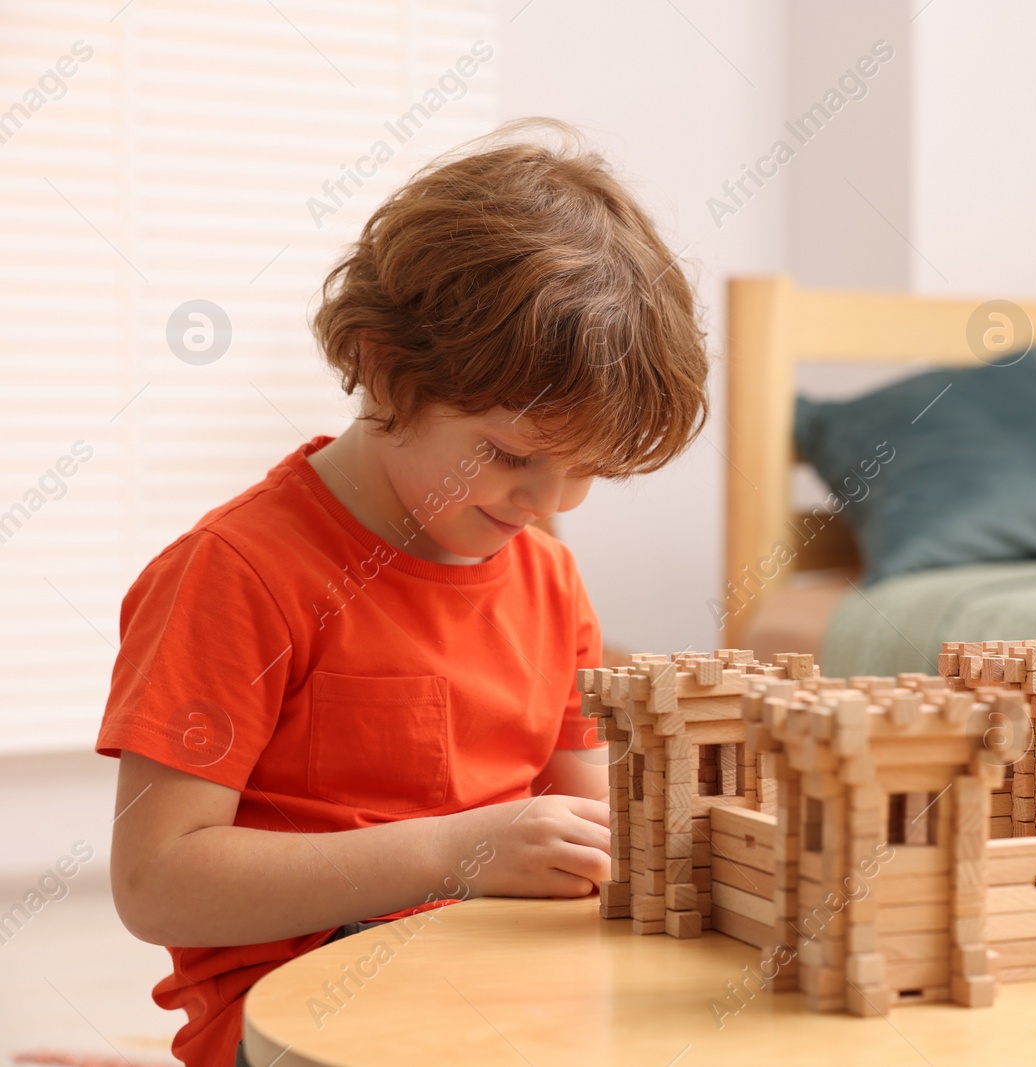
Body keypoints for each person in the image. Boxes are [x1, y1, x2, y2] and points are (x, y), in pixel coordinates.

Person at [96, 118, 708, 1067]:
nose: (551, 502)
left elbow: (592, 823)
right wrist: (454, 852)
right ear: (385, 366)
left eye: (589, 471)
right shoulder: (237, 573)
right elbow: (156, 881)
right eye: (512, 454)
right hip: (306, 1010)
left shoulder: (547, 574)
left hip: (510, 987)